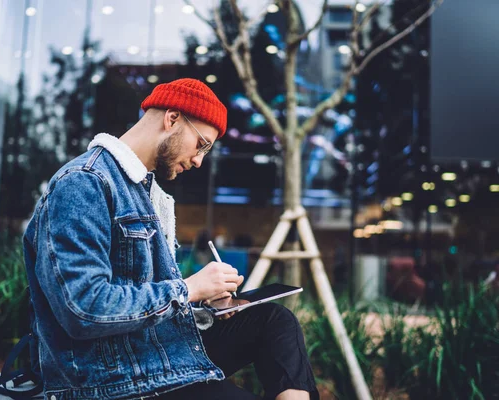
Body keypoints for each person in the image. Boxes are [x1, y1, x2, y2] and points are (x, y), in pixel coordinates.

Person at [23, 78, 319, 400]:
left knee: (275, 321)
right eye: (201, 144)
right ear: (172, 118)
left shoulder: (150, 194)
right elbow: (82, 309)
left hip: (152, 353)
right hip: (109, 380)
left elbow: (148, 297)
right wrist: (189, 289)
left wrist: (204, 303)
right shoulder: (83, 184)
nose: (198, 160)